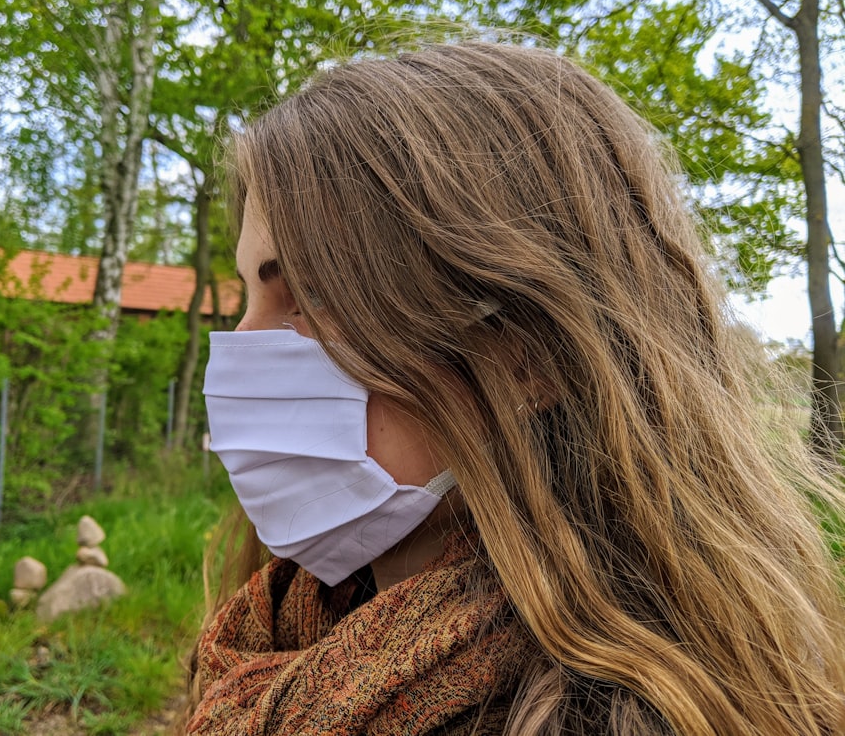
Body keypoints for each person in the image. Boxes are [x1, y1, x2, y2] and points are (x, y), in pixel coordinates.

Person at [181, 41, 845, 735]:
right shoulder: (276, 633)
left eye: (313, 296)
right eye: (248, 296)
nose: (241, 348)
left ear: (528, 358)